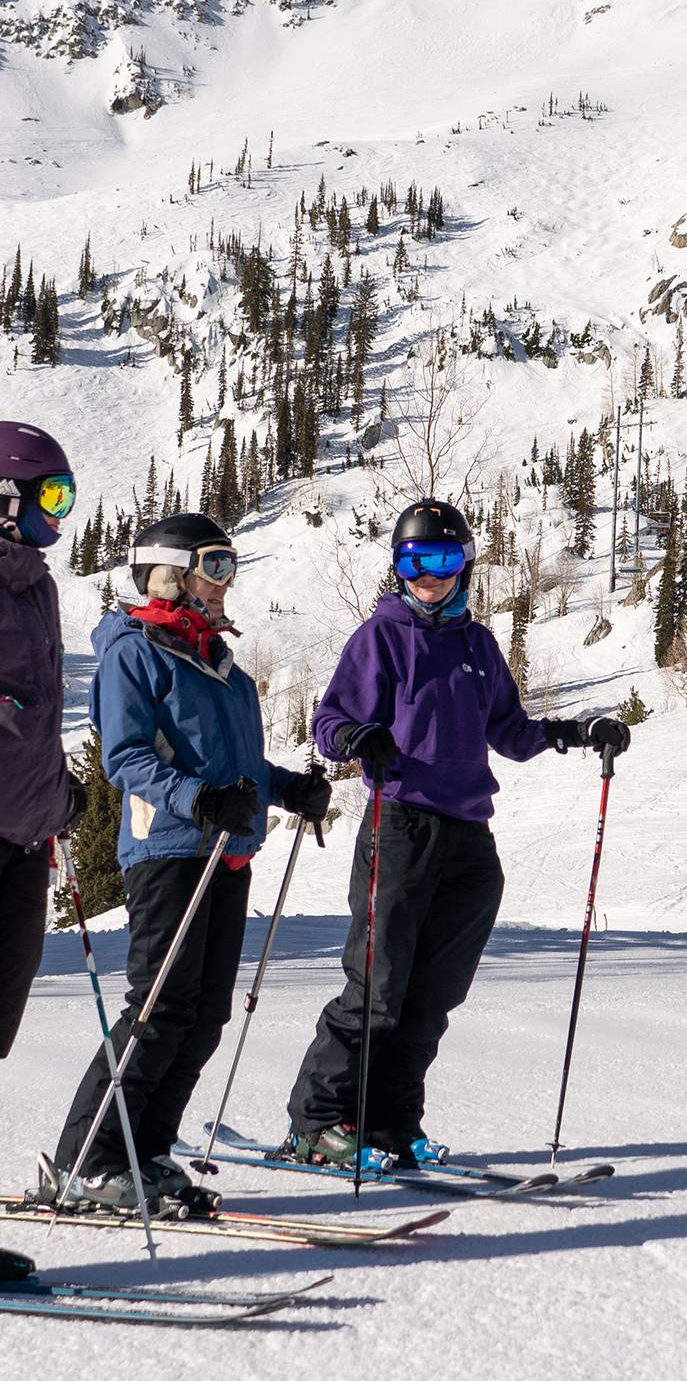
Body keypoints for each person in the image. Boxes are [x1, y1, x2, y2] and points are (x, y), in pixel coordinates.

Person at [282, 498, 630, 1167]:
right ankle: (317, 1123)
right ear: (398, 567)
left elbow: (512, 730)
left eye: (441, 560)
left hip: (469, 835)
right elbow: (331, 724)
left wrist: (576, 732)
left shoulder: (476, 645)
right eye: (413, 561)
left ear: (464, 566)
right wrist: (361, 737)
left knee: (433, 997)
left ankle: (389, 1124)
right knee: (376, 990)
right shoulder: (381, 637)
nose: (427, 576)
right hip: (400, 827)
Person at [49, 512, 330, 1209]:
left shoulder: (223, 666)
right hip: (169, 850)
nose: (225, 584)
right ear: (170, 573)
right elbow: (126, 758)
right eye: (215, 567)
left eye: (231, 568)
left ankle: (146, 1152)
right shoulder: (134, 653)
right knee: (159, 1009)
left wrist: (287, 787)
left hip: (225, 853)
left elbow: (235, 765)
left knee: (204, 1015)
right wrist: (198, 801)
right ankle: (91, 1158)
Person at [0, 422, 81, 1277]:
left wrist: (62, 794)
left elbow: (36, 715)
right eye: (50, 498)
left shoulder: (38, 591)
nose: (61, 516)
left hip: (24, 838)